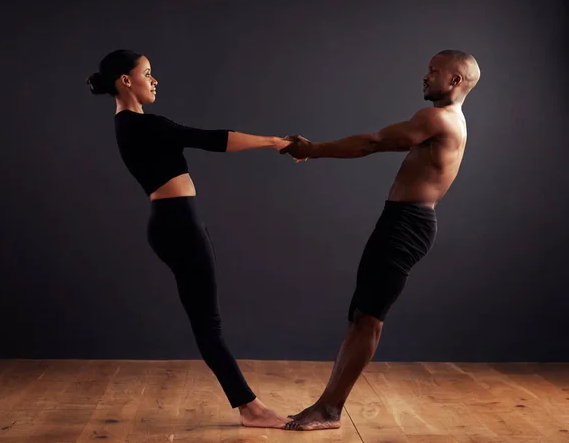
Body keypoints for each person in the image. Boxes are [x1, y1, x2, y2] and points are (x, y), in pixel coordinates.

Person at [86, 49, 291, 428]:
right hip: (177, 224)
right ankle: (251, 409)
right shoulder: (139, 124)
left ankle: (250, 406)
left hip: (174, 223)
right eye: (148, 73)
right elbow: (212, 139)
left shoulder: (133, 125)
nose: (155, 79)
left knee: (206, 322)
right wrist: (272, 141)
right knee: (208, 324)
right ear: (126, 81)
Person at [279, 49, 481, 431]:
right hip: (401, 220)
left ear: (455, 81)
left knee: (368, 319)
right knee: (361, 316)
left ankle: (329, 410)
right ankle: (327, 405)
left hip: (408, 224)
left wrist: (313, 150)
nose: (424, 77)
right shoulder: (450, 119)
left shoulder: (438, 118)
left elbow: (372, 142)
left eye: (433, 71)